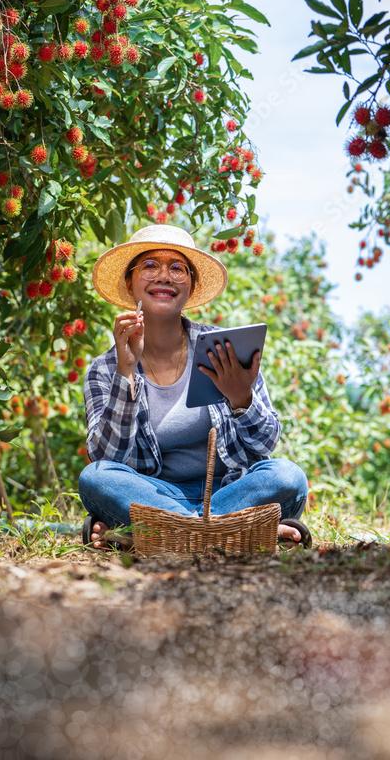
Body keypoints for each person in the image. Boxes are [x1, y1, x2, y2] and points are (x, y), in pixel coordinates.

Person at [79, 224, 310, 549]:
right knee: (96, 478)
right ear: (130, 283)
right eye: (149, 266)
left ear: (191, 285)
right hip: (153, 495)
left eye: (177, 268)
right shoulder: (105, 368)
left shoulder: (224, 349)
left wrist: (241, 398)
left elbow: (263, 447)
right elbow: (105, 457)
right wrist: (126, 372)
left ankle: (160, 535)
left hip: (229, 491)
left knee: (287, 476)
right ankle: (232, 532)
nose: (164, 276)